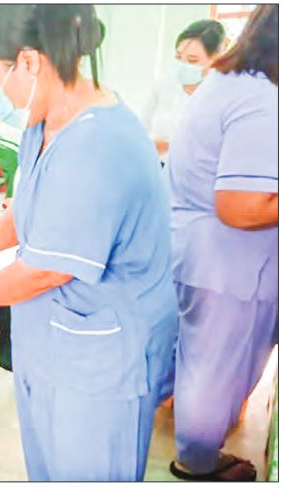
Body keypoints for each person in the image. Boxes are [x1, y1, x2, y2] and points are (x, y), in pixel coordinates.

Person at [0, 5, 179, 481]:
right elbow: (31, 204)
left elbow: (47, 270)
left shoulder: (99, 146)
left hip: (101, 361)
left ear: (30, 62)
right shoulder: (44, 121)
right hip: (49, 341)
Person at [166, 5, 278, 481]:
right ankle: (196, 465)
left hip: (203, 256)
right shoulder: (262, 99)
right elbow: (242, 207)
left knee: (201, 368)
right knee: (214, 376)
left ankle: (195, 456)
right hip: (229, 264)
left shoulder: (229, 82)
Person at [141, 20, 226, 165]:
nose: (182, 65)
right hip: (155, 165)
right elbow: (142, 127)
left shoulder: (220, 96)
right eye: (178, 57)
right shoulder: (163, 84)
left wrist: (169, 147)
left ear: (214, 61)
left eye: (192, 60)